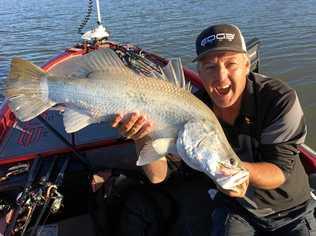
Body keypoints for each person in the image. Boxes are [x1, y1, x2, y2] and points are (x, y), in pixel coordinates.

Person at [112, 23, 316, 236]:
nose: (221, 76)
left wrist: (238, 171)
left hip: (292, 211)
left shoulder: (277, 99)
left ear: (247, 65)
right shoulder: (188, 112)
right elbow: (158, 176)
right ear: (199, 71)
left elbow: (280, 170)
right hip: (236, 210)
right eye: (210, 66)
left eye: (231, 64)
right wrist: (141, 137)